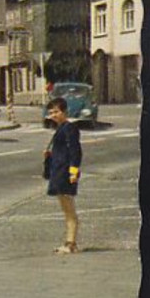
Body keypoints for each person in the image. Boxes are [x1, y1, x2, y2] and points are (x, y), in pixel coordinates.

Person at [44, 98, 82, 253]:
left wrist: (73, 171)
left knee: (69, 209)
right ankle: (69, 242)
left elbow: (75, 150)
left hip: (65, 172)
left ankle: (71, 243)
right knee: (66, 209)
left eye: (57, 112)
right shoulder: (61, 128)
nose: (54, 115)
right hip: (59, 170)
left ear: (65, 112)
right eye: (51, 112)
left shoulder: (69, 128)